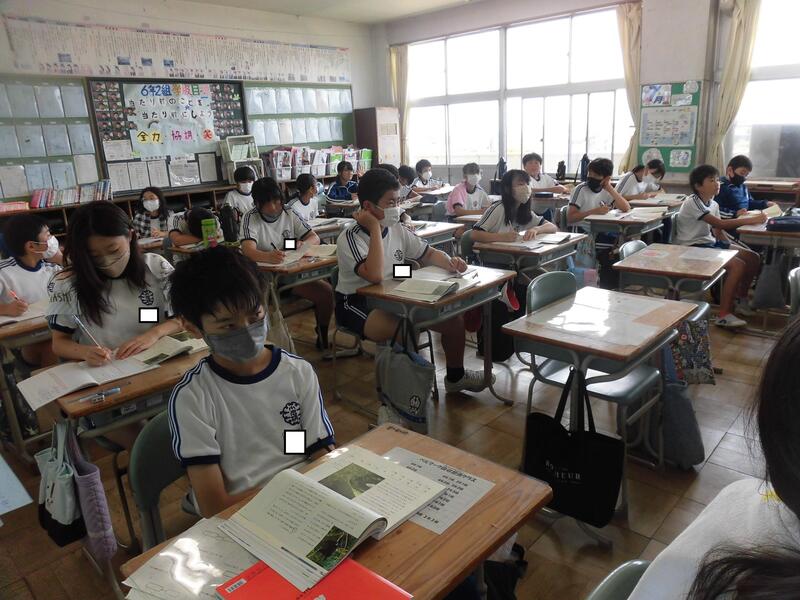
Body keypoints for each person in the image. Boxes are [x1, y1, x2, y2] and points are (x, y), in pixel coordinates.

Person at [628, 319, 800, 600]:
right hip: (673, 326)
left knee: (674, 334)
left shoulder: (728, 518)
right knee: (676, 332)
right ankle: (705, 348)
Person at [168, 246, 335, 518]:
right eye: (228, 326)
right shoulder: (193, 397)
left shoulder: (297, 372)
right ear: (194, 328)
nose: (247, 331)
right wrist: (289, 496)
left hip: (305, 499)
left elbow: (318, 451)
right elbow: (214, 505)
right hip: (241, 514)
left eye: (255, 316)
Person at [334, 168, 494, 394]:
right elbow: (376, 275)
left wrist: (450, 262)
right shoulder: (350, 237)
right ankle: (402, 396)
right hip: (357, 302)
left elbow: (427, 253)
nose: (397, 207)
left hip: (395, 294)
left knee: (454, 321)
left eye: (398, 201)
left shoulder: (396, 228)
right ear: (368, 206)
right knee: (404, 328)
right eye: (390, 202)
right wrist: (374, 228)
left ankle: (455, 377)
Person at [46, 202, 180, 366]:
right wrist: (85, 352)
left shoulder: (156, 266)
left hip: (158, 360)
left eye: (114, 250)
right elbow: (59, 342)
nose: (107, 261)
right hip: (107, 368)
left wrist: (154, 334)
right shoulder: (67, 283)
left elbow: (181, 318)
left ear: (130, 236)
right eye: (94, 256)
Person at [239, 177, 334, 351]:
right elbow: (248, 250)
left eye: (277, 202)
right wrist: (267, 256)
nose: (273, 208)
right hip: (265, 279)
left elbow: (313, 237)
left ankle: (322, 335)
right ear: (257, 204)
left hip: (290, 272)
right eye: (267, 203)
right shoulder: (250, 217)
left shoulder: (289, 211)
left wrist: (301, 245)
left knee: (326, 293)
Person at [672, 164, 766, 328]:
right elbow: (720, 223)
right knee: (737, 265)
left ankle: (741, 299)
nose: (717, 183)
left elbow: (718, 230)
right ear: (698, 186)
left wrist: (731, 247)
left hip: (709, 244)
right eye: (711, 180)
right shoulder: (693, 202)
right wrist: (751, 220)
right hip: (691, 248)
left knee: (752, 257)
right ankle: (723, 315)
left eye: (717, 179)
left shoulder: (713, 203)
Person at [0, 214, 62, 366]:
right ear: (31, 246)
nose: (52, 240)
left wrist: (62, 259)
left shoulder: (53, 269)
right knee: (51, 347)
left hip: (57, 329)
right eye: (48, 235)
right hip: (26, 339)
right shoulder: (4, 273)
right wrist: (6, 308)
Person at [566, 157, 631, 289]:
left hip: (600, 230)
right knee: (610, 252)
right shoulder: (581, 189)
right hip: (582, 231)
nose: (591, 177)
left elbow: (626, 208)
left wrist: (610, 189)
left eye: (596, 175)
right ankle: (605, 285)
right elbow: (571, 217)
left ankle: (609, 286)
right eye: (590, 173)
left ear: (606, 178)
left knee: (618, 248)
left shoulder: (607, 190)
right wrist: (593, 211)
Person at [470, 170, 557, 243]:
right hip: (490, 255)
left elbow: (552, 227)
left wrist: (536, 229)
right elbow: (474, 234)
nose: (526, 187)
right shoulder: (498, 208)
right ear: (507, 189)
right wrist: (502, 237)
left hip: (511, 253)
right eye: (521, 184)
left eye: (528, 184)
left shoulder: (524, 211)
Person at [716, 154, 777, 219]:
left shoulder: (743, 186)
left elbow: (749, 202)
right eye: (742, 173)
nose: (744, 177)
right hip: (732, 221)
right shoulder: (720, 187)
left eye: (746, 175)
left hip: (745, 218)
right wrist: (735, 214)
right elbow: (716, 210)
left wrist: (766, 204)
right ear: (730, 170)